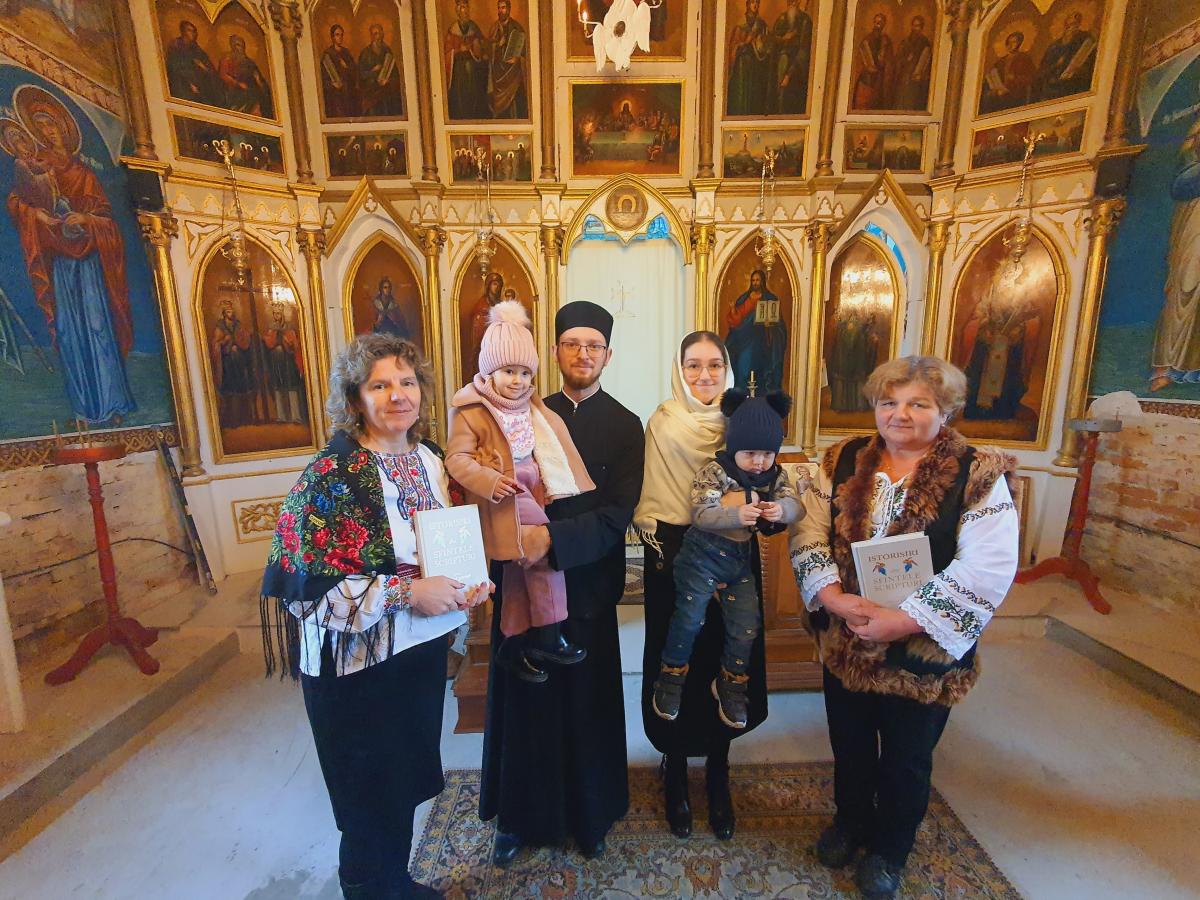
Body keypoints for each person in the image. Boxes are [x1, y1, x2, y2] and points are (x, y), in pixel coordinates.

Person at [260, 333, 491, 899]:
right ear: (355, 397)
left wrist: (467, 583)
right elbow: (306, 593)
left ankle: (395, 882)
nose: (398, 395)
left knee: (402, 778)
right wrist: (407, 592)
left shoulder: (429, 457)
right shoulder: (331, 475)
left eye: (407, 382)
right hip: (354, 667)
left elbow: (439, 544)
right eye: (380, 385)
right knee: (365, 793)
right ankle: (368, 888)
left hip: (418, 650)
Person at [790, 355, 1018, 899]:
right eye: (889, 402)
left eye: (919, 404)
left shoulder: (979, 472)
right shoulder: (842, 458)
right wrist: (833, 597)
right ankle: (850, 823)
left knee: (907, 758)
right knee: (849, 743)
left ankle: (890, 850)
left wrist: (904, 619)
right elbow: (810, 532)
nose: (900, 414)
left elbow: (987, 565)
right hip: (847, 635)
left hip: (923, 649)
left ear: (946, 410)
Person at [480, 301, 645, 865]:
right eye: (572, 343)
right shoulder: (519, 411)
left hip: (588, 582)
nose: (582, 354)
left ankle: (590, 815)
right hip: (523, 582)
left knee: (585, 706)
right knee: (526, 704)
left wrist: (554, 542)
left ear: (607, 355)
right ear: (553, 352)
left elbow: (618, 512)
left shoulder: (625, 425)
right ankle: (518, 820)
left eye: (593, 346)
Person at [636, 331, 767, 842]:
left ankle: (718, 771)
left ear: (727, 369)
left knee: (726, 657)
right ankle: (674, 770)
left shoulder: (743, 421)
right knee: (676, 661)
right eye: (693, 365)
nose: (704, 375)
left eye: (714, 365)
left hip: (734, 547)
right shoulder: (662, 421)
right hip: (673, 550)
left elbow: (766, 478)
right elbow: (651, 489)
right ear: (679, 369)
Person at [446, 300, 593, 682]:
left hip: (533, 488)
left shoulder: (531, 406)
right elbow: (457, 459)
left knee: (518, 569)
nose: (518, 381)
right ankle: (550, 634)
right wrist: (491, 481)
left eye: (525, 373)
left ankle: (511, 645)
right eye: (509, 371)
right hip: (506, 496)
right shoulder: (472, 409)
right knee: (544, 554)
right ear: (489, 371)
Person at [652, 389, 804, 730]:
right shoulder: (715, 471)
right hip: (700, 557)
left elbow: (798, 506)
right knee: (689, 619)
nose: (759, 462)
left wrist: (781, 510)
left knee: (747, 625)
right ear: (735, 447)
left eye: (767, 454)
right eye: (750, 453)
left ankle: (732, 681)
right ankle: (671, 675)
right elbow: (701, 513)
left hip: (739, 561)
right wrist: (737, 514)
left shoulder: (776, 476)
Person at [8, 87, 136, 425]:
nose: (46, 132)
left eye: (50, 124)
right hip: (61, 266)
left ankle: (112, 403)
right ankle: (83, 409)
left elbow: (109, 222)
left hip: (89, 267)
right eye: (39, 126)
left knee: (97, 328)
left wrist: (86, 220)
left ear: (64, 127)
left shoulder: (86, 176)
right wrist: (38, 215)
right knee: (70, 333)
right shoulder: (35, 168)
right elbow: (18, 203)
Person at [1151, 115, 1200, 390]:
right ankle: (1169, 367)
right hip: (1194, 225)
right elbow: (1181, 184)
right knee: (1187, 286)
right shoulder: (1191, 152)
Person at [725, 267, 786, 395]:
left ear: (762, 281)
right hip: (745, 341)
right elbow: (737, 321)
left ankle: (760, 401)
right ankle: (742, 399)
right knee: (743, 369)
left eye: (757, 280)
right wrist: (733, 311)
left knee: (761, 373)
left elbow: (779, 326)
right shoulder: (744, 299)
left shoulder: (770, 299)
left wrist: (771, 326)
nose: (755, 283)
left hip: (762, 343)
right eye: (753, 280)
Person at [445, 0, 490, 120]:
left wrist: (478, 46)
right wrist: (458, 50)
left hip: (474, 69)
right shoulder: (452, 30)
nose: (464, 11)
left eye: (466, 7)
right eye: (462, 8)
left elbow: (482, 44)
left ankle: (474, 113)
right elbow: (447, 52)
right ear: (458, 11)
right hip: (458, 70)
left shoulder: (474, 27)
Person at [725, 0, 771, 116]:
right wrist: (742, 45)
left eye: (757, 2)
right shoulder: (740, 24)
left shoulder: (761, 24)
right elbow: (734, 46)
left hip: (757, 65)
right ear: (747, 4)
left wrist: (760, 43)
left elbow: (767, 45)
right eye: (752, 2)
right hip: (742, 64)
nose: (755, 5)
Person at [166, 20, 221, 108]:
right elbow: (174, 67)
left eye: (194, 31)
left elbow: (209, 68)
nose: (193, 33)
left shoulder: (197, 49)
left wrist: (204, 68)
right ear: (183, 32)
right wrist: (189, 84)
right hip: (182, 82)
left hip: (199, 84)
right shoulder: (176, 45)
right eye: (189, 30)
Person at [488, 0, 528, 119]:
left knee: (516, 105)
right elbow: (488, 51)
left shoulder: (517, 27)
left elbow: (525, 51)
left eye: (503, 8)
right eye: (499, 8)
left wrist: (518, 58)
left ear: (509, 9)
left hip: (513, 74)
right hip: (498, 74)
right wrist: (498, 45)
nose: (501, 11)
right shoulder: (494, 28)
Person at [218, 34, 274, 118]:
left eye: (240, 45)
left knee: (257, 93)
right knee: (249, 93)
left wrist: (259, 82)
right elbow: (223, 75)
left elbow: (258, 78)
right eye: (236, 45)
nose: (238, 48)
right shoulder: (226, 59)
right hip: (233, 89)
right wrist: (237, 83)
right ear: (232, 46)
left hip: (249, 90)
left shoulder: (249, 63)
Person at [980, 31, 1035, 115]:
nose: (1010, 45)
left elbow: (1031, 77)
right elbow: (993, 76)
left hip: (1016, 92)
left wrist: (1015, 78)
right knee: (988, 97)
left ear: (1019, 43)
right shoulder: (1001, 61)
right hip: (1000, 90)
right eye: (1008, 42)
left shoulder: (1024, 59)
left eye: (1013, 42)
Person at [358, 23, 404, 118]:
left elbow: (395, 74)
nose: (377, 37)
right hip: (371, 96)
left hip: (386, 95)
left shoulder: (387, 51)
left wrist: (388, 80)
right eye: (374, 34)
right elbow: (360, 76)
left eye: (379, 33)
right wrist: (373, 71)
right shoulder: (365, 53)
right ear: (371, 36)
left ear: (382, 34)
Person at [852, 13, 893, 110]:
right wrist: (868, 65)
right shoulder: (867, 39)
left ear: (883, 24)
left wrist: (884, 54)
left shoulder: (886, 40)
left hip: (880, 78)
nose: (877, 25)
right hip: (867, 78)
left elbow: (889, 59)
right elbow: (861, 57)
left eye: (880, 22)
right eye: (876, 22)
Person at [891, 15, 931, 111]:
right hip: (903, 77)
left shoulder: (925, 43)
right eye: (914, 25)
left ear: (921, 28)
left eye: (917, 26)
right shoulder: (906, 41)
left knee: (911, 101)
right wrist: (904, 60)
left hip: (915, 80)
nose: (915, 28)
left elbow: (926, 61)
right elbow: (898, 58)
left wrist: (918, 73)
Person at [321, 23, 360, 119]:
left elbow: (354, 71)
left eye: (341, 35)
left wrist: (346, 67)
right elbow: (323, 77)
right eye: (337, 35)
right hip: (335, 94)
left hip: (348, 92)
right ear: (332, 37)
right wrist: (332, 84)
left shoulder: (346, 53)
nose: (340, 37)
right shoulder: (328, 55)